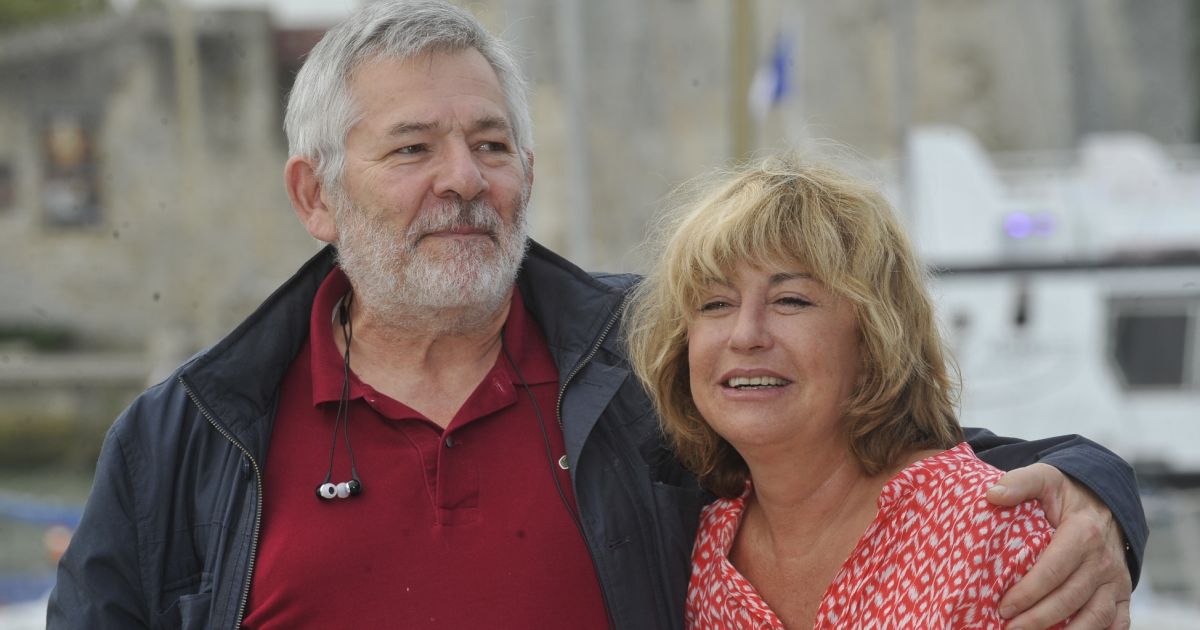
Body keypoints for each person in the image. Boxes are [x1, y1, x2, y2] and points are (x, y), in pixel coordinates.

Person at [47, 1, 1143, 628]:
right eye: (413, 149)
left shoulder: (652, 361)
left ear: (528, 170)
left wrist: (1098, 493)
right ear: (314, 196)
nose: (462, 179)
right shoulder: (186, 434)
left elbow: (883, 446)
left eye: (490, 145)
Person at [626, 154, 1098, 627]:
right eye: (715, 303)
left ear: (875, 337)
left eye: (791, 300)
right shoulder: (701, 552)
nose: (745, 334)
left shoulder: (989, 530)